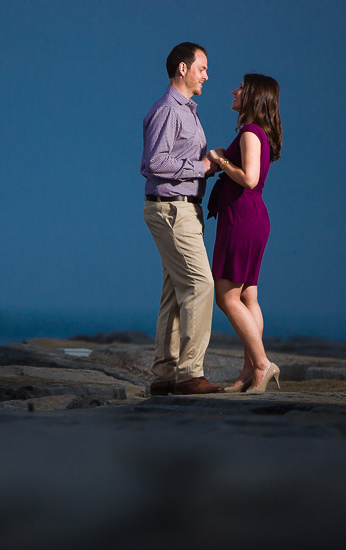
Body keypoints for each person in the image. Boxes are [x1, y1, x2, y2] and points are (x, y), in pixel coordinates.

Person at [141, 42, 224, 396]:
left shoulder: (188, 111)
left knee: (175, 292)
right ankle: (190, 373)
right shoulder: (168, 110)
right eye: (202, 68)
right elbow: (153, 163)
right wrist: (203, 167)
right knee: (200, 285)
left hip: (183, 207)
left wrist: (208, 165)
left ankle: (163, 375)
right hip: (172, 208)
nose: (206, 75)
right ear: (182, 69)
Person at [206, 73, 283, 394]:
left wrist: (220, 158)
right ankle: (248, 374)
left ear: (252, 96)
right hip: (250, 218)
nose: (234, 90)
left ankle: (263, 364)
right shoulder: (256, 133)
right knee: (248, 295)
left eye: (240, 87)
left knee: (226, 296)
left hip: (243, 218)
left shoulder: (251, 133)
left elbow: (249, 179)